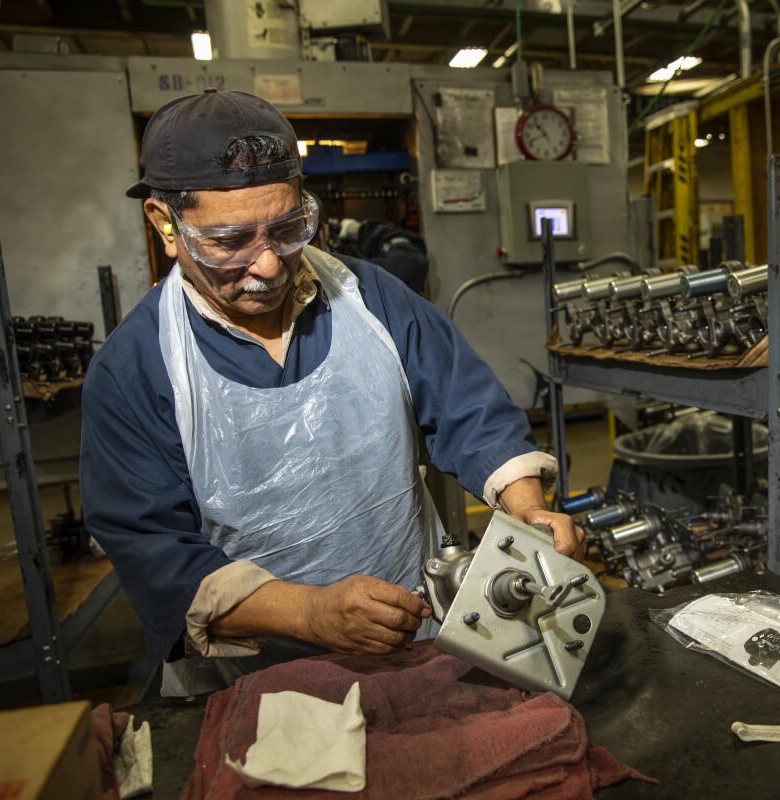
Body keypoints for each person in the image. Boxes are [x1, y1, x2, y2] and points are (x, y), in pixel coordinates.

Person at [79, 89, 582, 695]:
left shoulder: (371, 299)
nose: (267, 265)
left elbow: (468, 408)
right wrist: (309, 614)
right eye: (231, 240)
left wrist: (525, 504)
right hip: (255, 681)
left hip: (420, 648)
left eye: (288, 228)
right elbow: (155, 554)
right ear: (165, 224)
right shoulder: (137, 366)